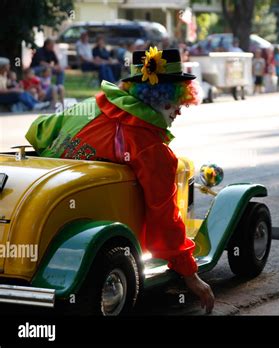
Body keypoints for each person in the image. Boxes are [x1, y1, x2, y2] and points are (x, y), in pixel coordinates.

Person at [25, 48, 215, 313]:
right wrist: (189, 273)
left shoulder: (89, 106)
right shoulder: (151, 149)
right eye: (177, 102)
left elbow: (38, 131)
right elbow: (165, 215)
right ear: (161, 98)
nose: (179, 112)